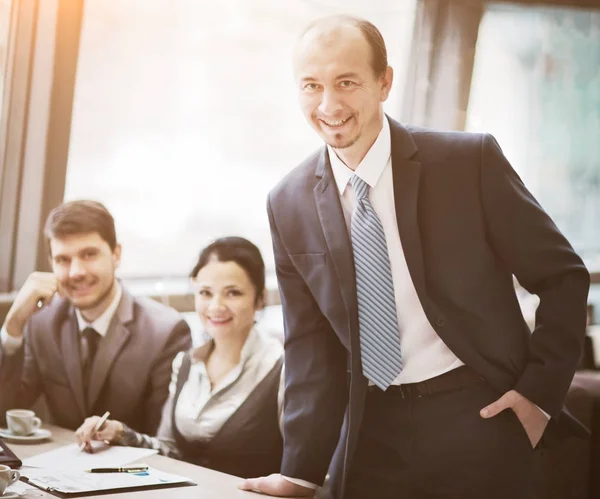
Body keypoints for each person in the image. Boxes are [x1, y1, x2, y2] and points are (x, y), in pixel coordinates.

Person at [240, 15, 590, 499]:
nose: (329, 104)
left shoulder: (468, 162)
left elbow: (562, 277)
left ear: (384, 82)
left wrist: (537, 398)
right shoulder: (288, 201)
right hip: (371, 428)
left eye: (346, 82)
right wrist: (300, 470)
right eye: (311, 86)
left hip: (480, 415)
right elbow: (309, 346)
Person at [75, 237, 284, 478]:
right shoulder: (185, 363)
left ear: (259, 300)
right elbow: (170, 451)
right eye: (205, 293)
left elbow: (301, 473)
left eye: (233, 293)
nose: (215, 306)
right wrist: (120, 433)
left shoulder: (281, 369)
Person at [0, 200, 192, 435]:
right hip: (59, 467)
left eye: (89, 255)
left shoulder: (166, 331)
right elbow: (5, 411)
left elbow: (165, 441)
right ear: (51, 263)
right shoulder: (42, 322)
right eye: (63, 260)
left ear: (116, 255)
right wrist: (13, 326)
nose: (76, 272)